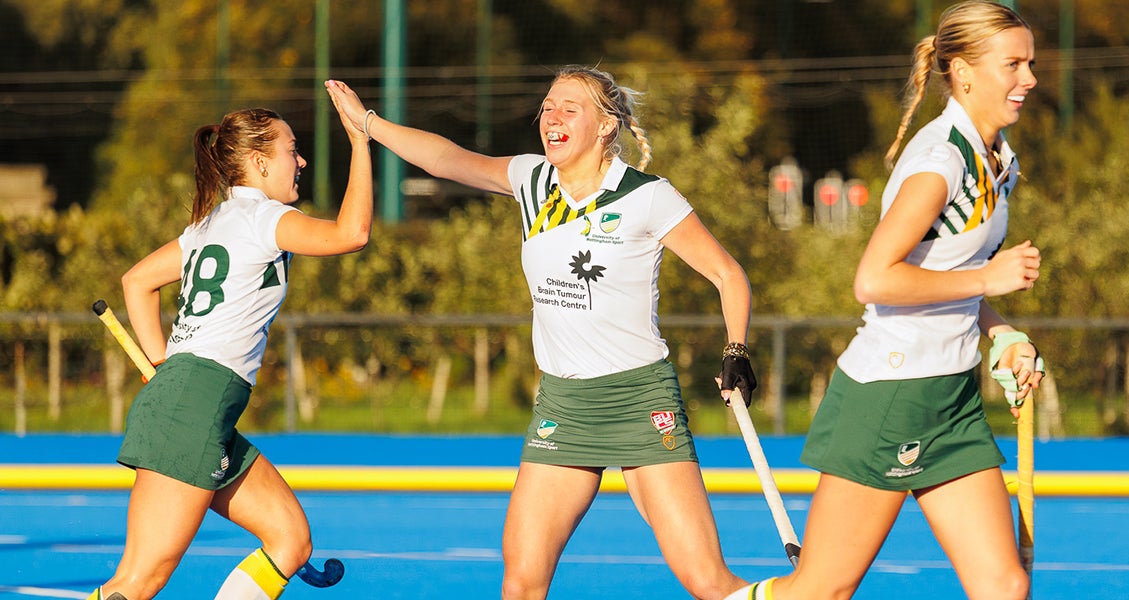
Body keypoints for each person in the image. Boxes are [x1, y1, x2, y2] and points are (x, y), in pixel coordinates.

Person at [324, 66, 756, 599]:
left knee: (707, 581)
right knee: (522, 583)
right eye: (548, 107)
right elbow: (448, 159)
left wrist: (736, 349)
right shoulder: (532, 180)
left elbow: (726, 273)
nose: (551, 117)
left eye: (568, 109)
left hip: (638, 399)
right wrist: (368, 123)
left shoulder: (647, 196)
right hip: (563, 403)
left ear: (605, 126)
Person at [726, 2, 1043, 599]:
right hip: (891, 397)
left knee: (1004, 585)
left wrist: (1001, 332)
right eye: (1014, 64)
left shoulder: (996, 158)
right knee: (821, 591)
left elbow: (947, 270)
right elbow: (874, 280)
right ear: (964, 71)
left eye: (1030, 63)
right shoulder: (939, 161)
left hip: (951, 396)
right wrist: (988, 283)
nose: (1028, 79)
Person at [87, 80, 374, 600]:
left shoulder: (209, 224)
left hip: (195, 401)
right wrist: (359, 141)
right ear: (260, 163)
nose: (302, 162)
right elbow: (351, 234)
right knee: (136, 583)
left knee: (289, 540)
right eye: (292, 151)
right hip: (194, 401)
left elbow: (137, 282)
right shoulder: (264, 218)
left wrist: (160, 365)